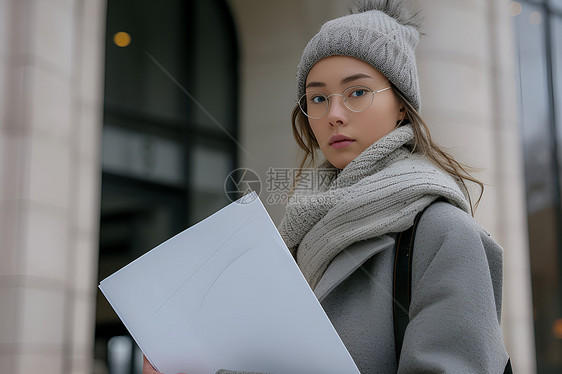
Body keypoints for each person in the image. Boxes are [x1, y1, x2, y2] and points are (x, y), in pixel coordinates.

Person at [144, 0, 510, 373]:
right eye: (318, 98)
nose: (333, 115)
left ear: (401, 104)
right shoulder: (299, 231)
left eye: (357, 93)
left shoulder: (444, 233)